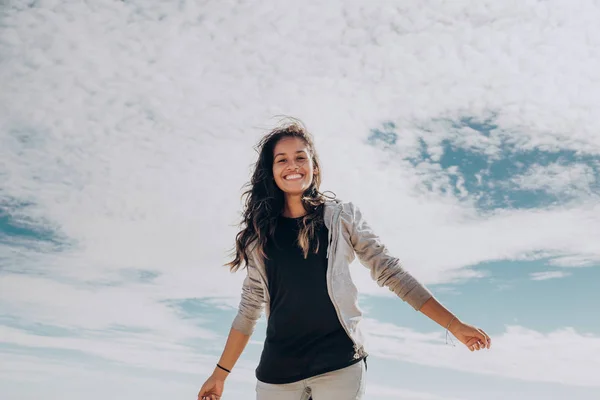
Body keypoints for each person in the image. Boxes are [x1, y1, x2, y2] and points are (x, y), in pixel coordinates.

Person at [198, 120, 491, 400]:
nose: (293, 166)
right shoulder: (259, 237)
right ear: (271, 170)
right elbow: (249, 310)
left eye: (300, 157)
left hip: (338, 364)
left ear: (313, 165)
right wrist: (220, 375)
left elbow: (391, 272)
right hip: (278, 370)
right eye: (282, 160)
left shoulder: (340, 218)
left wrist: (454, 325)